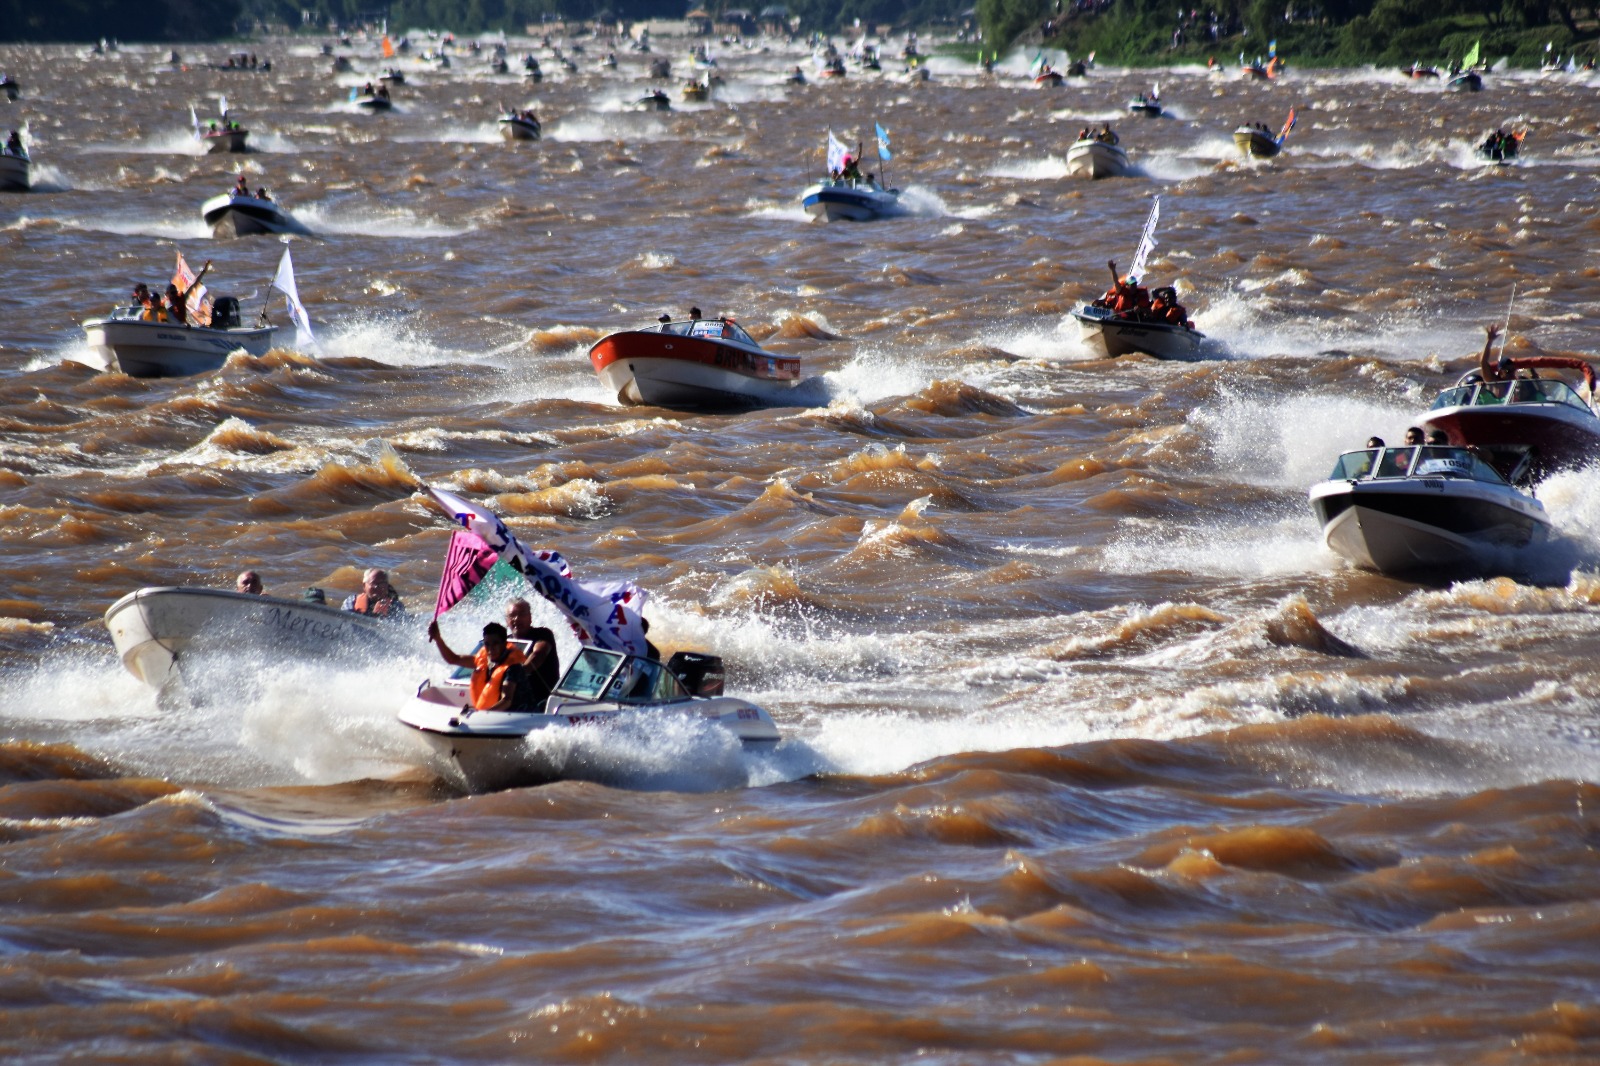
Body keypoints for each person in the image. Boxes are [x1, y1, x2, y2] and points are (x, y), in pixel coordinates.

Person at [428, 620, 537, 712]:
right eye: (487, 644)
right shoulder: (485, 660)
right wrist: (438, 638)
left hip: (521, 717)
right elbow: (453, 659)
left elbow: (507, 700)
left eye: (495, 643)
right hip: (498, 717)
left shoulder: (513, 667)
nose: (490, 649)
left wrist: (483, 715)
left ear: (504, 644)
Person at [505, 598, 559, 700]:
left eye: (522, 614)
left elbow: (538, 655)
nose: (517, 618)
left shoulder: (543, 634)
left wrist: (514, 676)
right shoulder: (504, 642)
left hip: (544, 701)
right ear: (507, 621)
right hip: (517, 701)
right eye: (512, 615)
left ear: (530, 618)